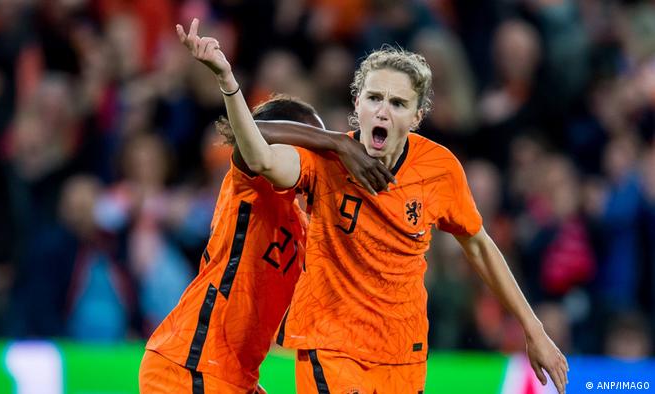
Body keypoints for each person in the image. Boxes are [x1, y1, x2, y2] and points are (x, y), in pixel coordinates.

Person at [177, 18, 569, 394]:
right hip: (331, 347)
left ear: (416, 117)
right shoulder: (325, 161)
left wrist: (534, 331)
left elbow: (479, 245)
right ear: (357, 103)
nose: (383, 110)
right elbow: (261, 158)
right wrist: (228, 81)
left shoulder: (440, 169)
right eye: (374, 98)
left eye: (398, 103)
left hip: (403, 354)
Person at [139, 94, 393, 392]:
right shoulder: (252, 189)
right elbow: (252, 131)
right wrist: (337, 141)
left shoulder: (301, 225)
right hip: (188, 366)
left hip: (233, 377)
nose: (320, 158)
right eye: (313, 146)